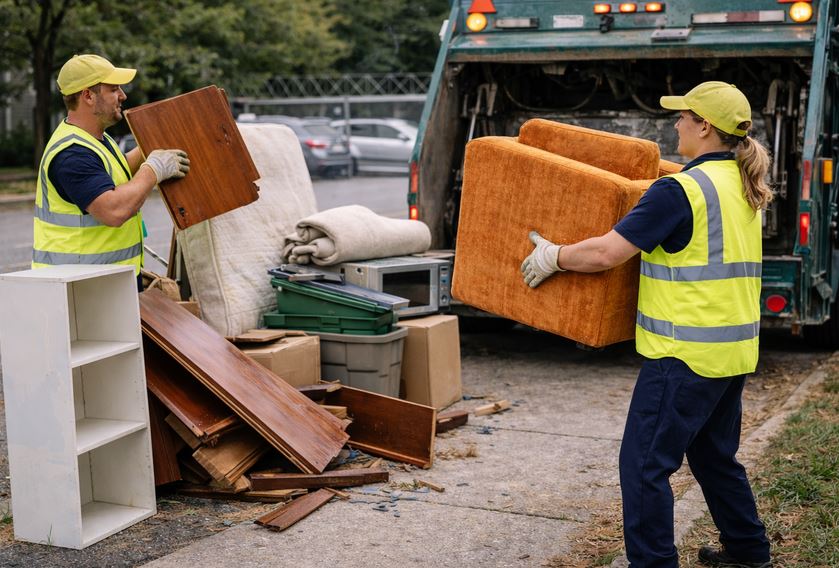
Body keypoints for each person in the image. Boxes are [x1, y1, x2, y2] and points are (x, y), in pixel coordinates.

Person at [521, 82, 773, 568]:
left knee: (643, 468)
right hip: (732, 351)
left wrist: (554, 255)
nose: (675, 124)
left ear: (704, 126)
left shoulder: (680, 190)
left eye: (683, 116)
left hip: (682, 355)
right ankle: (748, 552)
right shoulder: (740, 184)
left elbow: (606, 254)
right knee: (713, 458)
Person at [33, 53, 190, 286]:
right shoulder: (72, 154)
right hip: (81, 289)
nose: (123, 95)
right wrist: (153, 169)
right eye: (114, 89)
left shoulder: (96, 139)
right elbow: (112, 211)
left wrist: (148, 149)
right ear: (88, 96)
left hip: (104, 282)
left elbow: (111, 174)